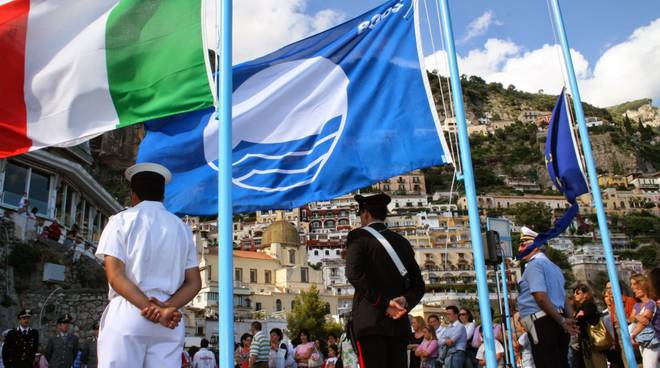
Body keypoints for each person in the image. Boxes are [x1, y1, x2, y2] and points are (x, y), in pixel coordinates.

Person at [95, 163, 201, 367]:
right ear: (162, 196)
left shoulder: (120, 221)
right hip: (170, 315)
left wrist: (149, 308)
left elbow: (115, 276)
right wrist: (165, 308)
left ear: (133, 195)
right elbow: (194, 283)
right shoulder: (183, 228)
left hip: (130, 309)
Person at [345, 193, 425, 368]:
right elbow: (419, 286)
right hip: (399, 324)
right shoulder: (402, 242)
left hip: (370, 323)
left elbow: (353, 274)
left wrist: (384, 303)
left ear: (365, 214)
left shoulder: (358, 236)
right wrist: (405, 301)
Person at [516, 226, 577, 368]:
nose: (520, 249)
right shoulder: (555, 267)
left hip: (542, 322)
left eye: (523, 244)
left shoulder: (533, 266)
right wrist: (569, 321)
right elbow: (564, 299)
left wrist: (562, 320)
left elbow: (540, 297)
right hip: (558, 321)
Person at [573, 284, 608, 368]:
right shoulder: (580, 308)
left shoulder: (589, 305)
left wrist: (578, 317)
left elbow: (582, 320)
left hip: (593, 341)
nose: (575, 295)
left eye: (578, 293)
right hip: (586, 343)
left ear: (585, 294)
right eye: (574, 293)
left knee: (598, 364)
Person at [628, 274, 659, 368]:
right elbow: (631, 319)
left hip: (653, 340)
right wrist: (639, 316)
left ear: (642, 286)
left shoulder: (651, 303)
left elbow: (644, 322)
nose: (632, 288)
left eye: (635, 285)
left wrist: (632, 335)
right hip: (643, 341)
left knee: (649, 365)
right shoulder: (637, 305)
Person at [603, 281, 636, 368]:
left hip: (630, 336)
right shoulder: (613, 304)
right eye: (607, 288)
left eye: (610, 288)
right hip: (619, 339)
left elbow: (634, 320)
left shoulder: (629, 301)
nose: (609, 290)